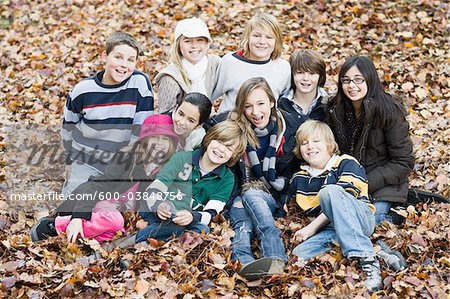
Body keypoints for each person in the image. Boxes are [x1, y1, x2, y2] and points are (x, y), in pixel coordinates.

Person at [31, 114, 178, 243]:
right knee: (115, 221)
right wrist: (78, 217)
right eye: (155, 138)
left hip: (120, 212)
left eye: (164, 139)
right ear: (145, 140)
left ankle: (79, 237)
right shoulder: (128, 159)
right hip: (100, 202)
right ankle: (55, 225)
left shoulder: (163, 169)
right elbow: (97, 186)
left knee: (120, 230)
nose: (160, 143)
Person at [103, 121, 247, 249]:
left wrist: (192, 216)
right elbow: (155, 188)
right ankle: (128, 244)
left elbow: (211, 212)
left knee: (201, 230)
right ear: (210, 139)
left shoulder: (227, 178)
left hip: (188, 219)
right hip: (159, 209)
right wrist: (159, 205)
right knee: (175, 225)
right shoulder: (182, 158)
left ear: (234, 155)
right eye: (219, 142)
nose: (222, 149)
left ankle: (147, 244)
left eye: (229, 148)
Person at [290, 120, 382, 292]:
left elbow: (344, 197)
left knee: (329, 192)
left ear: (330, 145)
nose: (310, 146)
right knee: (299, 254)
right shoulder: (299, 178)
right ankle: (380, 252)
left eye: (316, 141)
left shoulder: (345, 162)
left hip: (359, 217)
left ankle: (369, 262)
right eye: (304, 143)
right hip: (331, 229)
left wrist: (310, 229)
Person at [61, 31, 154, 199]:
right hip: (86, 159)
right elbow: (68, 128)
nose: (124, 65)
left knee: (109, 215)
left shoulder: (140, 83)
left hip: (122, 162)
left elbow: (142, 129)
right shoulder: (83, 91)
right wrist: (69, 161)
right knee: (71, 208)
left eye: (130, 60)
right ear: (104, 56)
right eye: (118, 57)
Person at [325, 56, 414, 224]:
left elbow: (404, 162)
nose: (352, 86)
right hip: (347, 183)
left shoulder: (389, 112)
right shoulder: (335, 110)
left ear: (370, 79)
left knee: (366, 223)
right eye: (346, 80)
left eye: (358, 80)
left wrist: (364, 182)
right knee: (335, 222)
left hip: (382, 187)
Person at [227, 77, 298, 280]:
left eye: (260, 104)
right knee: (242, 218)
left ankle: (275, 256)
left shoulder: (289, 128)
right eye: (248, 106)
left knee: (250, 195)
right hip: (242, 194)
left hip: (275, 195)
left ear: (272, 102)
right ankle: (245, 262)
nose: (255, 112)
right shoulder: (236, 131)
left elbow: (295, 170)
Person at [211, 13, 290, 113]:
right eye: (256, 36)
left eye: (269, 37)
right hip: (230, 124)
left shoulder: (283, 68)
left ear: (277, 41)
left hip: (266, 125)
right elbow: (210, 95)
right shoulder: (230, 62)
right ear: (247, 37)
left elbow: (287, 101)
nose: (262, 41)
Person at [155, 17, 220, 113]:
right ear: (178, 45)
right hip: (182, 125)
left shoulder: (215, 63)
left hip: (211, 121)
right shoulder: (170, 77)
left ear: (207, 44)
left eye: (200, 40)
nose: (194, 45)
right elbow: (165, 116)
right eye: (187, 41)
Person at [278, 49, 327, 126]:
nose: (306, 78)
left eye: (312, 73)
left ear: (320, 76)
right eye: (300, 72)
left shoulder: (329, 104)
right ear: (291, 74)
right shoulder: (280, 104)